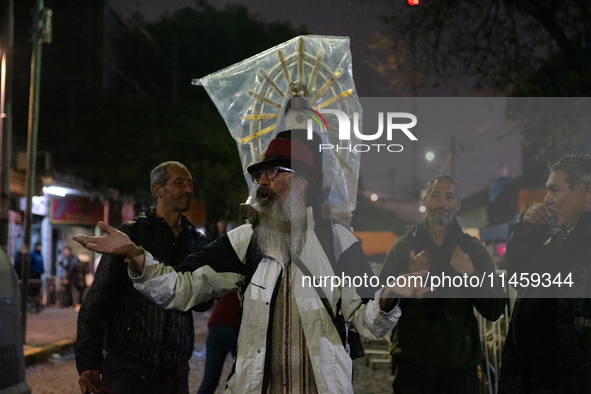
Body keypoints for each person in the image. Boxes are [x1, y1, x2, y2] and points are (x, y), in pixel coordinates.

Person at [74, 131, 430, 394]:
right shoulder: (245, 242)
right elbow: (181, 288)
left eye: (274, 172)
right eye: (260, 175)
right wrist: (136, 256)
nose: (263, 182)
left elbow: (370, 325)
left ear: (305, 181)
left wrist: (389, 296)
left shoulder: (339, 244)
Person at [75, 161, 208, 394]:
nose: (188, 189)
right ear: (157, 190)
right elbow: (97, 302)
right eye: (179, 183)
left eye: (190, 184)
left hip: (175, 373)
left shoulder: (196, 241)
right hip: (128, 370)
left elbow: (203, 302)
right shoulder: (131, 235)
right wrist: (89, 364)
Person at [379, 175, 507, 394]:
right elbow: (379, 305)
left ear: (458, 204)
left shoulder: (472, 250)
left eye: (449, 197)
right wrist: (406, 274)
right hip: (412, 372)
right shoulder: (404, 247)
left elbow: (495, 309)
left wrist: (470, 273)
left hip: (459, 375)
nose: (442, 203)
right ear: (425, 201)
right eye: (436, 195)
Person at [499, 154, 591, 393]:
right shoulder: (555, 239)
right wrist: (526, 234)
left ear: (588, 195)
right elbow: (520, 280)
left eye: (555, 190)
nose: (547, 200)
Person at [197, 291, 242, 394]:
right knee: (244, 374)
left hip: (216, 326)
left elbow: (217, 295)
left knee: (209, 379)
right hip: (235, 326)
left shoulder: (229, 282)